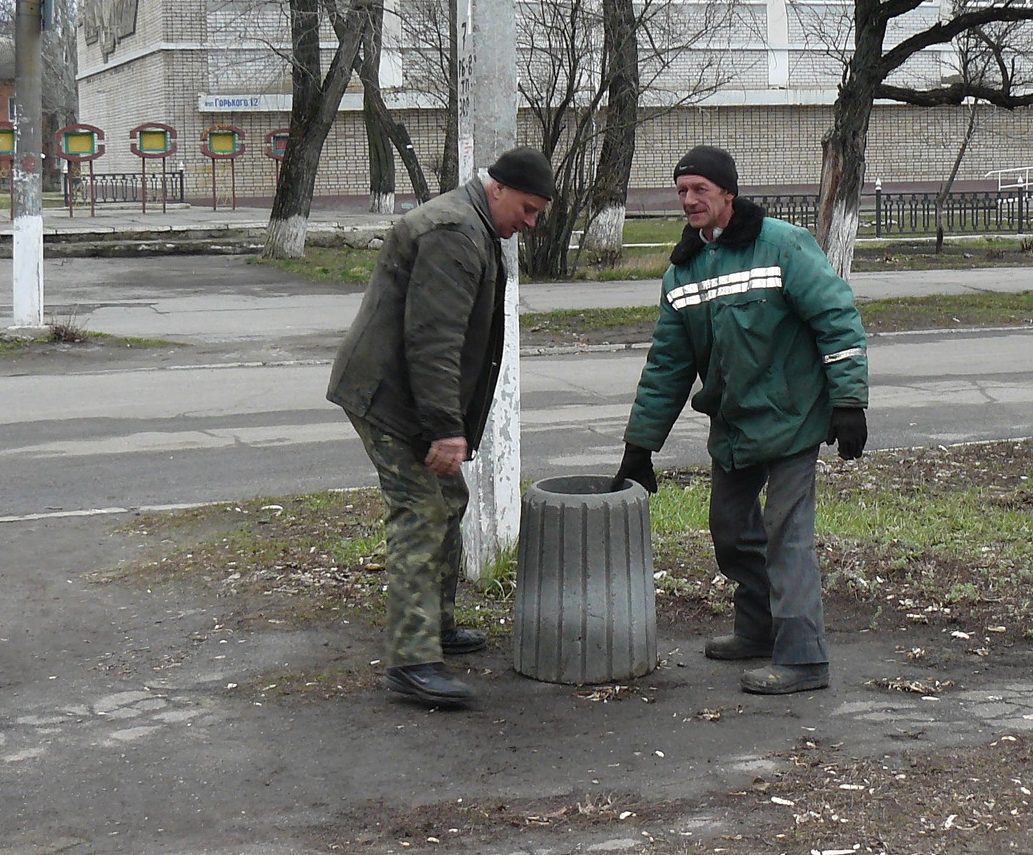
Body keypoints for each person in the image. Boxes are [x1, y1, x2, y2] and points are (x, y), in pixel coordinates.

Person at [615, 146, 869, 696]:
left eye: (699, 190)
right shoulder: (683, 271)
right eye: (681, 191)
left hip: (794, 417)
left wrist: (849, 401)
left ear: (728, 192)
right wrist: (640, 447)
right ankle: (759, 628)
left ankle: (803, 658)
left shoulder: (783, 245)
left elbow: (837, 319)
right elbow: (667, 365)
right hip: (734, 424)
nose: (688, 200)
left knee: (786, 533)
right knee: (730, 530)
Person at [327, 146, 554, 710]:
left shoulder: (475, 223)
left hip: (403, 392)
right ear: (497, 188)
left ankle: (437, 625)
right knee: (422, 510)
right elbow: (434, 341)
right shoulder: (455, 232)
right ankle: (412, 662)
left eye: (538, 214)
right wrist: (446, 429)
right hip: (387, 397)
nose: (530, 224)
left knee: (448, 499)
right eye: (527, 209)